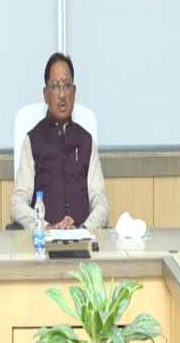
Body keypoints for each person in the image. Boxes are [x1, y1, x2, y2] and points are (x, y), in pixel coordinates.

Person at [10, 52, 109, 231]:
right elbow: (18, 203)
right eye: (55, 86)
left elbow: (100, 202)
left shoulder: (86, 141)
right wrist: (46, 227)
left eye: (67, 85)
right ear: (45, 94)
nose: (62, 94)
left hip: (82, 238)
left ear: (74, 91)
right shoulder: (32, 141)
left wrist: (84, 230)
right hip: (44, 240)